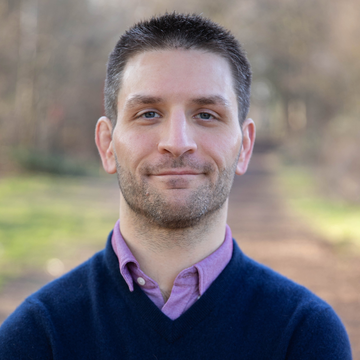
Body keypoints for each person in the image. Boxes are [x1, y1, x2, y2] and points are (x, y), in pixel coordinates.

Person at [0, 13, 352, 359]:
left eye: (206, 114)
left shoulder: (304, 334)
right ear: (107, 145)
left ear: (245, 146)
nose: (177, 141)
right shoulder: (36, 336)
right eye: (149, 113)